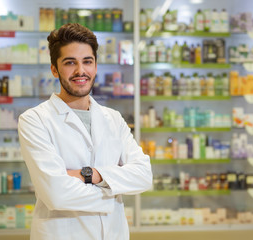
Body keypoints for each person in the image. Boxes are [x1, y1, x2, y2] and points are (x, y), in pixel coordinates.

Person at [18, 23, 153, 240]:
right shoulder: (35, 120)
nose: (80, 71)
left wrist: (87, 175)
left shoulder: (113, 118)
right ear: (54, 69)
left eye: (87, 61)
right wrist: (114, 188)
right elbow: (56, 194)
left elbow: (144, 176)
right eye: (70, 62)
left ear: (96, 66)